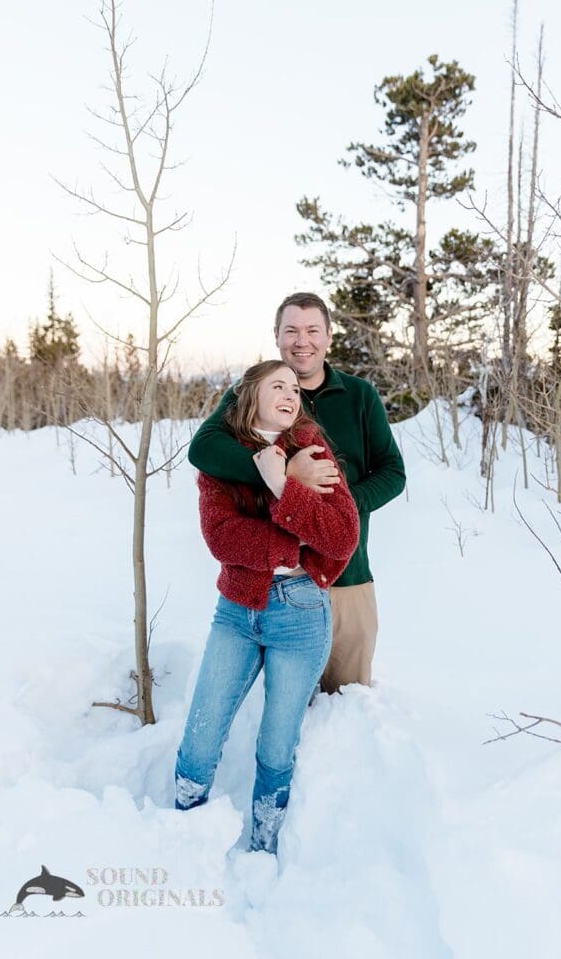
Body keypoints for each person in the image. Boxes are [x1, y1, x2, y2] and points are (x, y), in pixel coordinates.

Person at [175, 360, 359, 854]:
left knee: (277, 745)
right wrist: (293, 544)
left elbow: (342, 536)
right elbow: (222, 537)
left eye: (295, 388)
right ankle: (181, 835)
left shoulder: (312, 451)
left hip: (301, 614)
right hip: (236, 609)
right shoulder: (221, 456)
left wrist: (283, 487)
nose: (290, 394)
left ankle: (263, 844)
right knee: (201, 733)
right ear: (249, 395)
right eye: (277, 385)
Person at [188, 292, 406, 694]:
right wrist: (282, 475)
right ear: (276, 336)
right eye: (291, 331)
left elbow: (393, 472)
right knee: (288, 704)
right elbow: (203, 450)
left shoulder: (360, 395)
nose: (301, 341)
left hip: (348, 573)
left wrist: (338, 504)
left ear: (329, 336)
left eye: (312, 331)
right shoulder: (249, 392)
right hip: (274, 581)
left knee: (347, 701)